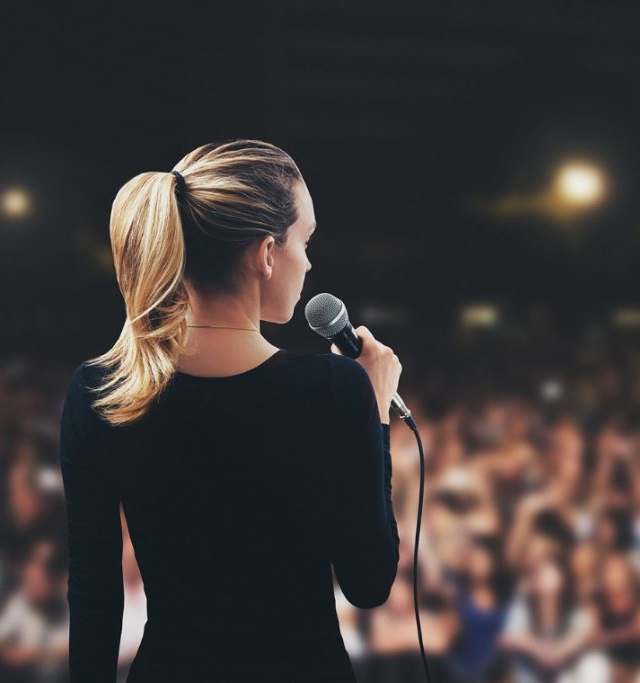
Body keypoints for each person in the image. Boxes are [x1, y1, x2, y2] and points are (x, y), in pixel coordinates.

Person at [58, 139, 403, 681]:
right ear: (266, 254)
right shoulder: (334, 388)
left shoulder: (99, 390)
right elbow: (368, 583)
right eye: (304, 241)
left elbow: (94, 594)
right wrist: (374, 409)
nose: (309, 262)